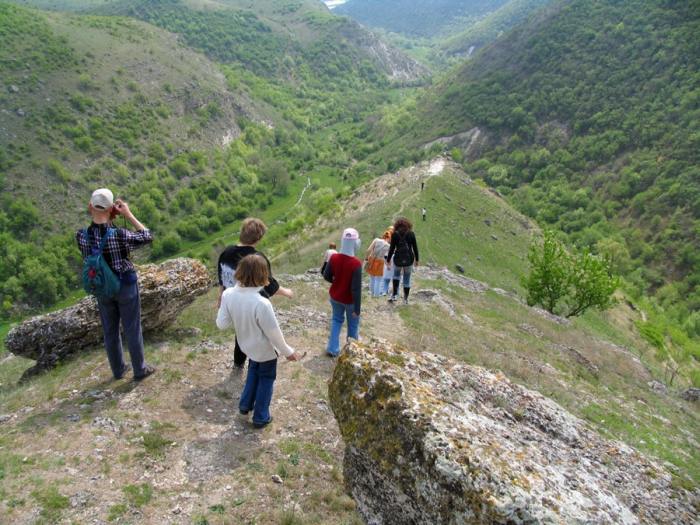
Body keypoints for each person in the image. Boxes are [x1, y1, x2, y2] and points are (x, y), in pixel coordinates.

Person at [76, 188, 155, 380]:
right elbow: (147, 236)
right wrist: (128, 214)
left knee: (110, 330)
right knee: (132, 328)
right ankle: (139, 370)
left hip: (102, 288)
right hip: (125, 285)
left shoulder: (81, 236)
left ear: (90, 206)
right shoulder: (119, 234)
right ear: (112, 209)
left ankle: (118, 370)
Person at [216, 254, 301, 428]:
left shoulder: (228, 294)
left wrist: (227, 308)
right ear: (263, 275)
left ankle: (245, 406)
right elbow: (274, 333)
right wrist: (288, 352)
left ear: (239, 271)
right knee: (266, 379)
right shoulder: (262, 303)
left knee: (253, 372)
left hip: (246, 346)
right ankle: (261, 416)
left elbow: (221, 324)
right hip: (264, 350)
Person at [217, 218, 293, 370]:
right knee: (258, 332)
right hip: (253, 301)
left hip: (232, 300)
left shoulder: (226, 252)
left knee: (240, 331)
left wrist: (220, 297)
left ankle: (238, 363)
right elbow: (269, 285)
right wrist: (287, 292)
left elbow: (221, 276)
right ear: (258, 238)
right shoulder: (256, 258)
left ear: (241, 233)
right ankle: (257, 362)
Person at [323, 228, 362, 357]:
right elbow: (356, 289)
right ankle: (352, 352)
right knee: (353, 325)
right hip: (350, 301)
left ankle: (332, 348)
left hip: (335, 297)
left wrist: (336, 281)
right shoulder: (356, 264)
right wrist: (357, 308)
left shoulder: (334, 257)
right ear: (356, 243)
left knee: (336, 320)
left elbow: (326, 275)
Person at [386, 217, 419, 305]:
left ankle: (394, 295)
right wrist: (417, 260)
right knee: (407, 278)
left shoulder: (395, 234)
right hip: (409, 259)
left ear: (397, 225)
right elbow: (415, 248)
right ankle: (405, 299)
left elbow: (392, 249)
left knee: (396, 275)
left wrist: (388, 260)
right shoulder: (411, 233)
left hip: (398, 259)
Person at [365, 230, 391, 297]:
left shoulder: (376, 240)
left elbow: (368, 250)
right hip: (380, 261)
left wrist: (366, 258)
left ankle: (372, 294)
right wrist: (388, 265)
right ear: (389, 238)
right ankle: (376, 296)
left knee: (372, 278)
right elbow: (387, 257)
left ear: (383, 236)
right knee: (378, 280)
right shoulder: (388, 246)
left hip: (372, 259)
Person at [380, 228, 395, 296]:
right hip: (390, 262)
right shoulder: (389, 244)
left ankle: (385, 291)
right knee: (388, 278)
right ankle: (386, 291)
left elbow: (384, 255)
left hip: (390, 261)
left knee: (387, 278)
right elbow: (384, 255)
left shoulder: (386, 243)